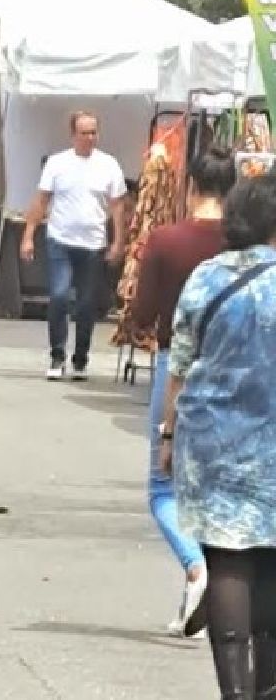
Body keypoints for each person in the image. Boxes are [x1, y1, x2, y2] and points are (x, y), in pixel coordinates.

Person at [160, 174, 276, 700]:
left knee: (228, 559)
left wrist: (168, 433)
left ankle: (237, 692)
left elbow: (179, 366)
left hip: (213, 441)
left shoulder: (208, 277)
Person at [133, 145, 234, 639]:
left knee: (163, 486)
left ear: (189, 186)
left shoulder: (166, 240)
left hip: (178, 364)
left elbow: (143, 309)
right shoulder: (246, 246)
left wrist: (138, 325)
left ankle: (197, 569)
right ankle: (193, 605)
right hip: (237, 371)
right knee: (213, 487)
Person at [21, 111, 127, 380]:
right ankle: (57, 355)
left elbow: (117, 207)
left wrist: (118, 241)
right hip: (60, 240)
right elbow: (41, 201)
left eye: (94, 132)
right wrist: (28, 235)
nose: (90, 138)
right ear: (73, 135)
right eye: (84, 133)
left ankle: (81, 357)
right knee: (58, 296)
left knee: (86, 304)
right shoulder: (57, 163)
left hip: (93, 244)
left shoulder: (108, 165)